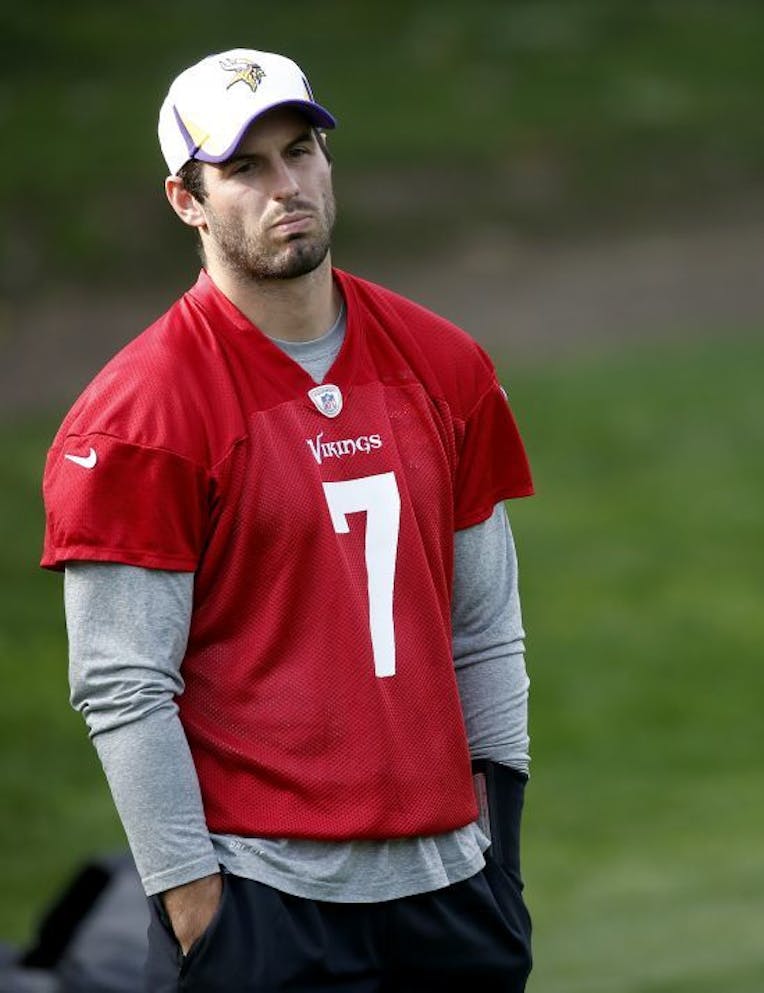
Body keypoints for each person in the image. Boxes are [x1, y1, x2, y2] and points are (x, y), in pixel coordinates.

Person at [41, 48, 536, 991]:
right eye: (245, 168)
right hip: (264, 903)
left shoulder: (446, 365)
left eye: (302, 150)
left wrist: (497, 845)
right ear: (186, 200)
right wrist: (195, 905)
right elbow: (124, 687)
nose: (286, 186)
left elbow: (486, 627)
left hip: (452, 890)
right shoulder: (139, 417)